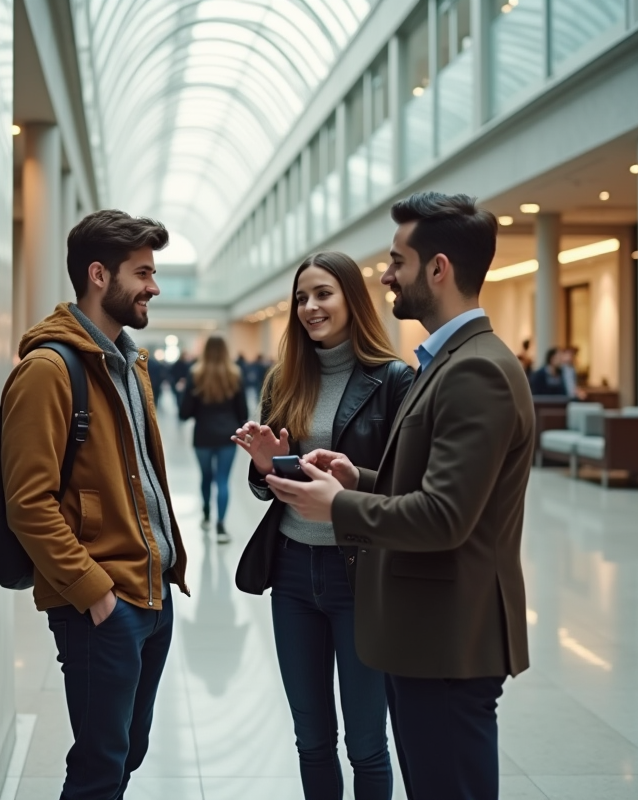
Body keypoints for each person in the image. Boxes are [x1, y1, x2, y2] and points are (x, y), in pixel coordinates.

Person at [265, 193, 534, 800]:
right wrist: (356, 478)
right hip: (424, 635)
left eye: (397, 261)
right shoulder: (447, 362)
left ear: (437, 268)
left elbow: (444, 516)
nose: (385, 275)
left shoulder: (475, 370)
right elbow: (427, 483)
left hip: (448, 639)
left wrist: (335, 505)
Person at [0, 209, 190, 800]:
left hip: (151, 591)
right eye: (143, 272)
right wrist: (93, 591)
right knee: (100, 768)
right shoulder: (48, 370)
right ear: (99, 275)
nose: (154, 286)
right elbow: (27, 502)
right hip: (102, 603)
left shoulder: (129, 362)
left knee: (128, 751)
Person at [232, 251, 414, 800]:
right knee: (311, 738)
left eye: (324, 294)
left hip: (359, 572)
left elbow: (406, 486)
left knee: (366, 743)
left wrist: (348, 483)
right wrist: (265, 465)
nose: (310, 307)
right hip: (290, 572)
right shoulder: (283, 379)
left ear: (352, 300)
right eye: (302, 297)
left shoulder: (394, 380)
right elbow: (264, 488)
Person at [180, 335, 249, 543]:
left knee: (206, 477)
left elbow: (184, 413)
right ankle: (221, 527)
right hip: (229, 435)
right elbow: (243, 411)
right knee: (223, 480)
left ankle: (206, 514)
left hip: (203, 435)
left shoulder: (195, 374)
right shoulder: (235, 374)